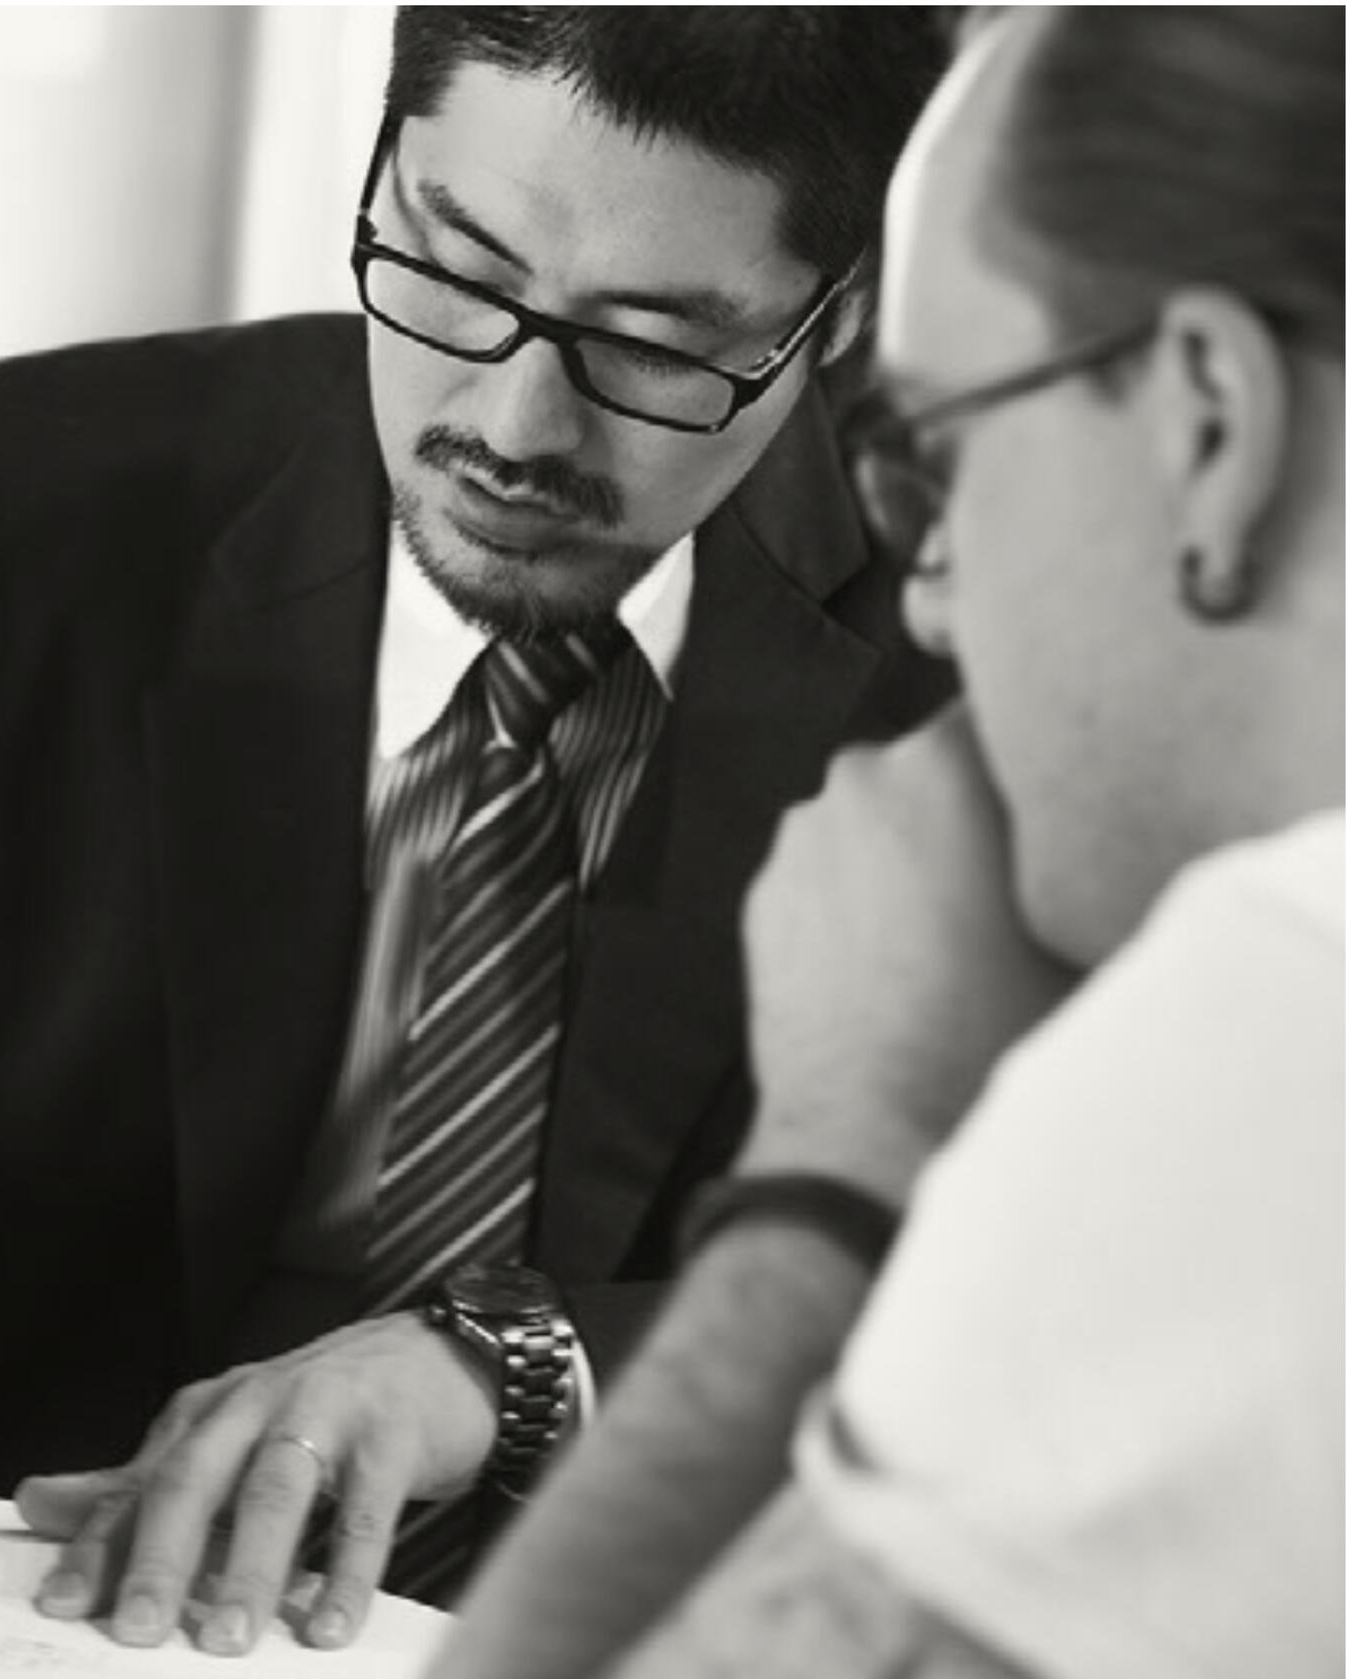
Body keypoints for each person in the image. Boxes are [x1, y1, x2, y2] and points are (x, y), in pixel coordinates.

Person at [0, 6, 951, 1654]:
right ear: (381, 162)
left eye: (653, 347)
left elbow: (1030, 1269)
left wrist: (511, 1369)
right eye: (457, 265)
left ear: (831, 326)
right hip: (33, 1608)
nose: (512, 426)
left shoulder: (984, 651)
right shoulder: (8, 506)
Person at [428, 7, 1344, 1677]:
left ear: (1209, 419)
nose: (928, 586)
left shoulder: (1270, 1024)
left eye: (944, 450)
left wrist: (845, 1161)